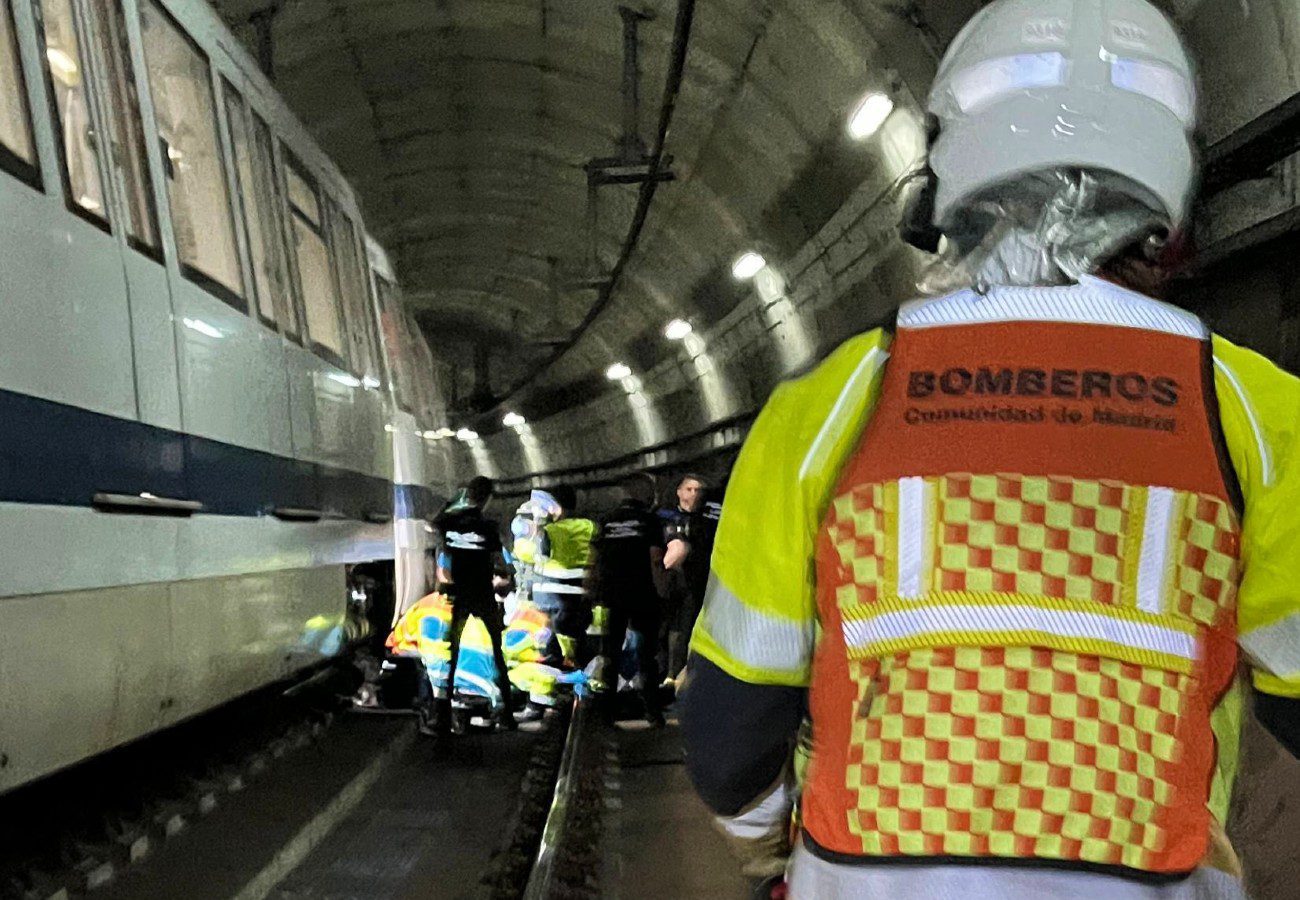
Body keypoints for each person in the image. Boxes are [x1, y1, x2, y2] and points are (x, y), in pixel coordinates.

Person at [683, 1, 1300, 897]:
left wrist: (774, 845)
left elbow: (731, 731)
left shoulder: (832, 404)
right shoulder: (1252, 410)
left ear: (949, 166)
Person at [430, 476, 514, 733]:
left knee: (450, 656)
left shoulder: (449, 521)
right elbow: (502, 561)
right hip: (483, 594)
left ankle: (442, 717)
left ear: (468, 494)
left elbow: (433, 523)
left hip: (459, 595)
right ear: (488, 499)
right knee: (498, 653)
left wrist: (454, 501)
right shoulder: (488, 526)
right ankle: (507, 713)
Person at [593, 472, 669, 725]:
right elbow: (656, 559)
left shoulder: (605, 521)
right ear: (644, 493)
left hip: (612, 595)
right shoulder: (650, 521)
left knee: (611, 655)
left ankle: (606, 715)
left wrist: (592, 592)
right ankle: (653, 713)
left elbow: (594, 561)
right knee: (646, 655)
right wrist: (663, 593)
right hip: (642, 592)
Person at [658, 474, 718, 681]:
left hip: (703, 581)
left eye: (698, 490)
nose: (694, 494)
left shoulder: (708, 519)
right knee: (671, 629)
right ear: (679, 492)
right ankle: (670, 674)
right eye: (690, 489)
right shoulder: (666, 517)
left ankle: (684, 674)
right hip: (672, 584)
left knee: (690, 628)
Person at [533, 484, 597, 668]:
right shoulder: (590, 526)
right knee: (579, 642)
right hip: (580, 596)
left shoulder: (549, 531)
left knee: (552, 650)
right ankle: (580, 687)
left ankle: (560, 683)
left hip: (551, 598)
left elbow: (540, 556)